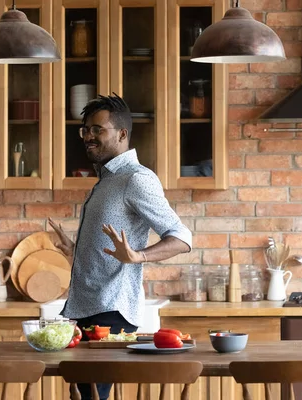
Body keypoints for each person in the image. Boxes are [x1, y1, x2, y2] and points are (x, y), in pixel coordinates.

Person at [48, 93, 192, 400]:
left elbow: (181, 238)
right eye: (85, 130)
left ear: (122, 134)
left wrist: (139, 256)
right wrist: (75, 251)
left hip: (110, 312)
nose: (88, 136)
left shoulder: (136, 179)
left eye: (97, 130)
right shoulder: (106, 180)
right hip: (88, 308)